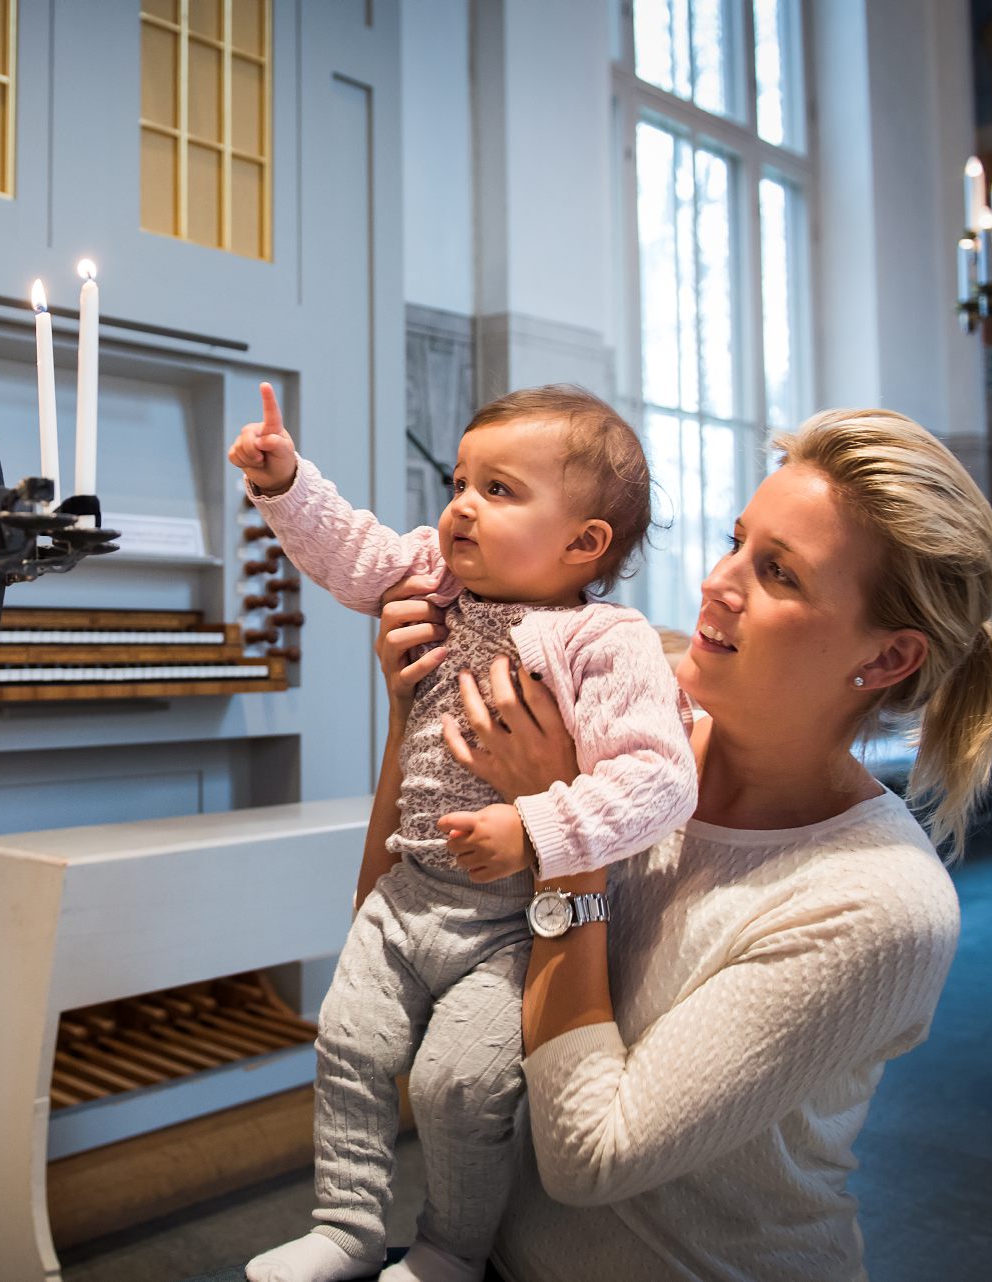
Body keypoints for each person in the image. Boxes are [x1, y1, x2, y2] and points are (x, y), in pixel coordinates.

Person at [372, 408, 992, 1281]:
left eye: (780, 573)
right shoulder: (610, 720)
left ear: (888, 657)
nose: (718, 583)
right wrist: (412, 715)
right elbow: (396, 935)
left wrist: (566, 833)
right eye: (737, 541)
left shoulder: (881, 904)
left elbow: (589, 1158)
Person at [229, 383, 698, 1282]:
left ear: (584, 543)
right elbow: (352, 548)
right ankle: (346, 1226)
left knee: (460, 1086)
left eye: (499, 490)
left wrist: (534, 826)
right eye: (459, 482)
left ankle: (451, 1248)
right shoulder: (435, 584)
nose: (459, 509)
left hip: (510, 925)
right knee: (348, 1043)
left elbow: (660, 778)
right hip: (409, 894)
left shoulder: (605, 640)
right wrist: (286, 482)